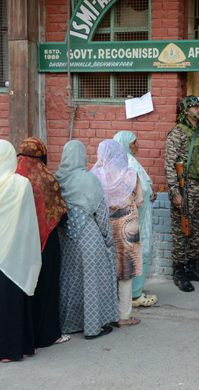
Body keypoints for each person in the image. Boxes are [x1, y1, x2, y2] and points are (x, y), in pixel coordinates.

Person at [0, 140, 42, 361]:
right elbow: (26, 225)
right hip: (13, 251)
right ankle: (16, 347)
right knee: (12, 298)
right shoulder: (20, 183)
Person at [56, 140, 119, 339]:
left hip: (66, 239)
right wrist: (109, 240)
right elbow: (101, 215)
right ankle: (93, 328)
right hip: (89, 238)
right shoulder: (89, 180)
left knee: (69, 282)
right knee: (92, 282)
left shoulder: (57, 180)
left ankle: (68, 325)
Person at [16, 138, 70, 348]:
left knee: (22, 286)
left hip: (18, 243)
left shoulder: (11, 176)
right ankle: (48, 334)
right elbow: (61, 214)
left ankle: (24, 335)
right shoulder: (47, 179)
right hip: (46, 242)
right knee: (46, 286)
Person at [164, 95, 199, 292]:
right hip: (186, 190)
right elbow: (169, 165)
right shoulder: (177, 133)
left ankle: (192, 267)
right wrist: (175, 193)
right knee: (181, 232)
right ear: (185, 111)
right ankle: (179, 272)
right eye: (194, 107)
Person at [91, 140, 144, 329]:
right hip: (128, 227)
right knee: (126, 271)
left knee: (107, 270)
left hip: (104, 227)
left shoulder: (95, 175)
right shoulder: (131, 175)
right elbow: (139, 201)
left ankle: (106, 315)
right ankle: (124, 316)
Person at [113, 131, 158, 308]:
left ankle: (128, 293)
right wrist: (150, 194)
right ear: (125, 144)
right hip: (137, 216)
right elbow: (143, 191)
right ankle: (136, 295)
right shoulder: (129, 162)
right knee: (142, 249)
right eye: (134, 142)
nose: (137, 145)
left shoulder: (117, 162)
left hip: (124, 217)